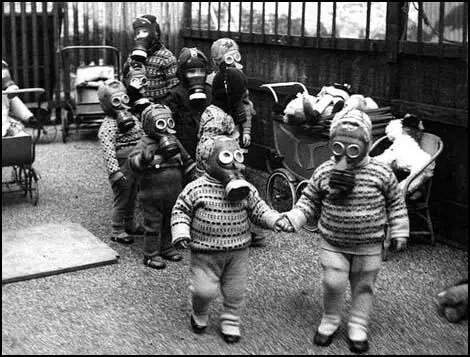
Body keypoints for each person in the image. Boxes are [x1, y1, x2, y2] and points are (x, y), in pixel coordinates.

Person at [282, 108, 410, 353]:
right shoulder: (324, 171)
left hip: (369, 244)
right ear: (332, 143)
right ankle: (330, 319)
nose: (345, 153)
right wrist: (294, 219)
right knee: (333, 282)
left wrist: (400, 230)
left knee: (363, 285)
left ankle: (358, 324)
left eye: (352, 147)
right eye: (338, 146)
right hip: (333, 242)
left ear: (366, 144)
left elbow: (395, 201)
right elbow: (309, 200)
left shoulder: (380, 172)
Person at [170, 135, 292, 343]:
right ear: (206, 162)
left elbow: (259, 209)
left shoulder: (246, 188)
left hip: (238, 251)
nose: (235, 163)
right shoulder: (196, 188)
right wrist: (181, 231)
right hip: (205, 252)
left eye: (237, 156)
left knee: (235, 290)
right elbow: (181, 210)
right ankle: (199, 312)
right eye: (226, 157)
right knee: (203, 290)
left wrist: (274, 220)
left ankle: (231, 320)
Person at [128, 103, 196, 270]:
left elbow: (187, 161)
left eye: (168, 122)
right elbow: (132, 162)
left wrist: (194, 174)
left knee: (169, 222)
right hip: (151, 193)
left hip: (173, 192)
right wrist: (143, 159)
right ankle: (150, 254)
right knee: (153, 224)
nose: (165, 128)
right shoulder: (145, 143)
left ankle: (166, 247)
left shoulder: (174, 140)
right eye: (160, 123)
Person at [97, 79, 145, 244]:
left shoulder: (131, 117)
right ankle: (117, 229)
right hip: (122, 165)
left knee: (133, 195)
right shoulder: (108, 126)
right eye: (115, 101)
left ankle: (130, 224)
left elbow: (141, 132)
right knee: (122, 196)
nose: (121, 105)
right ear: (106, 103)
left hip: (137, 162)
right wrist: (114, 172)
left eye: (123, 98)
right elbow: (108, 150)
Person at [161, 47, 211, 159]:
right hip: (185, 144)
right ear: (182, 73)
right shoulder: (175, 94)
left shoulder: (210, 91)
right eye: (191, 72)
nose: (196, 76)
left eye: (201, 72)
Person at [374, 113, 434, 198]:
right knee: (378, 163)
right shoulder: (399, 132)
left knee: (423, 168)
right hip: (397, 151)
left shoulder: (422, 157)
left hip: (405, 155)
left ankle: (396, 193)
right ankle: (393, 192)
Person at [123, 14, 179, 103]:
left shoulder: (166, 57)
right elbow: (125, 80)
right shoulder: (131, 57)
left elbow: (174, 88)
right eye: (138, 33)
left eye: (144, 31)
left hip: (159, 108)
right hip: (137, 104)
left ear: (156, 33)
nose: (140, 36)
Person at [2, 59, 36, 137]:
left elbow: (15, 101)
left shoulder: (5, 95)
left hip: (4, 124)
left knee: (19, 135)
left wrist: (28, 116)